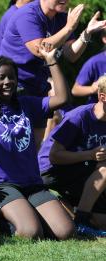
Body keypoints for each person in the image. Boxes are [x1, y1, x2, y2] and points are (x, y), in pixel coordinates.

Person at [0, 50, 74, 240]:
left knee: (65, 231)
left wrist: (51, 61)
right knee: (30, 232)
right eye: (1, 78)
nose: (7, 81)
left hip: (31, 183)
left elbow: (62, 99)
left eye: (11, 77)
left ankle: (22, 214)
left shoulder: (27, 104)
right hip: (0, 184)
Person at [0, 1, 105, 144]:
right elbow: (39, 49)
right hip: (15, 86)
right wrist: (69, 27)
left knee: (34, 144)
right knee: (16, 143)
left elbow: (71, 54)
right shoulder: (27, 14)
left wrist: (87, 33)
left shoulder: (60, 17)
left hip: (39, 86)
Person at [39, 76, 106, 236]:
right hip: (50, 170)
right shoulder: (80, 117)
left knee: (102, 222)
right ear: (102, 97)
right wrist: (90, 155)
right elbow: (54, 156)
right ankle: (81, 221)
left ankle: (66, 206)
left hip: (82, 169)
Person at [72, 30, 106, 104]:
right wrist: (92, 89)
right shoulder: (95, 62)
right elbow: (75, 90)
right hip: (98, 110)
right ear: (104, 39)